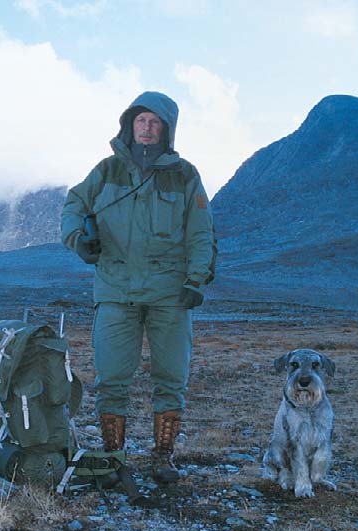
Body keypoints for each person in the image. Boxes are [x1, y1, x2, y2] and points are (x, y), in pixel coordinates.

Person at [61, 91, 216, 483]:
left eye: (155, 122)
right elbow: (73, 205)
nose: (147, 128)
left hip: (170, 294)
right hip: (116, 291)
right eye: (140, 121)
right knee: (111, 377)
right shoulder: (106, 171)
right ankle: (114, 460)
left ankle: (162, 459)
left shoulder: (185, 176)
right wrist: (78, 239)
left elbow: (201, 233)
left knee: (171, 377)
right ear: (129, 125)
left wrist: (197, 279)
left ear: (167, 129)